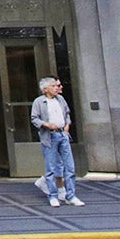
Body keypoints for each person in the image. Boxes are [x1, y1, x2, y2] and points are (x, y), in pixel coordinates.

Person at [31, 76, 83, 207]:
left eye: (57, 86)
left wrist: (67, 126)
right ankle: (53, 195)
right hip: (50, 136)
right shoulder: (39, 102)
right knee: (51, 167)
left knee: (69, 167)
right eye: (54, 86)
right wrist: (47, 124)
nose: (57, 88)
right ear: (46, 89)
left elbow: (67, 113)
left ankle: (70, 195)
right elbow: (34, 118)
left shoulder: (61, 99)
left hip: (62, 134)